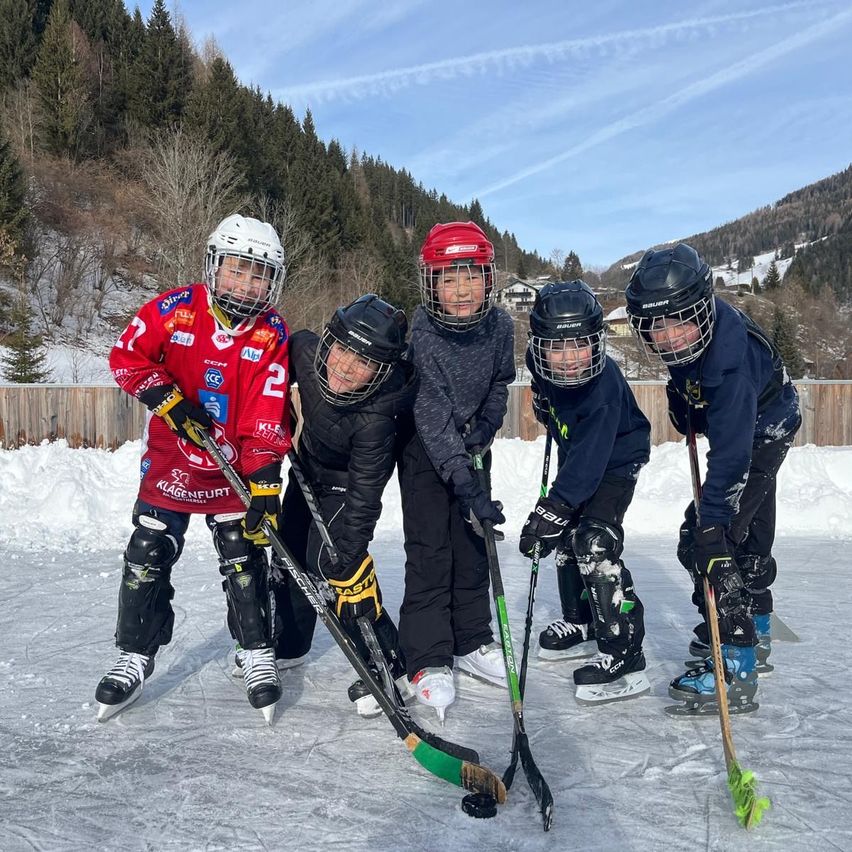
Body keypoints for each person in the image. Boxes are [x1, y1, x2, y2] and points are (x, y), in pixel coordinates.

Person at [96, 214, 291, 724]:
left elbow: (265, 410)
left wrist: (265, 480)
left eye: (259, 275)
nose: (246, 284)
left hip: (231, 465)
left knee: (244, 552)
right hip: (173, 456)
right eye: (236, 270)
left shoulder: (270, 332)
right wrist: (166, 398)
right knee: (149, 546)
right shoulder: (176, 309)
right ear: (214, 266)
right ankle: (134, 651)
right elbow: (127, 356)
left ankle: (255, 650)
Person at [625, 243, 801, 714]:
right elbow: (696, 396)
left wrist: (711, 523)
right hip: (759, 418)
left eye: (678, 321)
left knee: (709, 544)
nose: (668, 337)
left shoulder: (729, 361)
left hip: (761, 431)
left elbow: (731, 456)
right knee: (745, 535)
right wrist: (686, 403)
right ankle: (757, 632)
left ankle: (736, 666)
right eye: (655, 327)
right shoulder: (696, 335)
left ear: (702, 307)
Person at [264, 294, 418, 717]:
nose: (346, 367)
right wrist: (276, 407)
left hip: (347, 488)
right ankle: (292, 642)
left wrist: (348, 553)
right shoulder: (308, 352)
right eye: (343, 350)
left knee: (334, 564)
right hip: (307, 473)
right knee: (289, 555)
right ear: (330, 341)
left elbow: (366, 499)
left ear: (381, 371)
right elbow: (277, 352)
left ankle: (387, 656)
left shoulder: (377, 417)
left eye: (363, 362)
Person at [396, 221, 514, 722]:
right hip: (425, 448)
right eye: (448, 278)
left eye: (469, 276)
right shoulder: (421, 334)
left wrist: (485, 428)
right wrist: (464, 480)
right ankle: (427, 657)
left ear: (487, 279)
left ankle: (472, 638)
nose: (460, 289)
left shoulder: (501, 327)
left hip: (472, 444)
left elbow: (499, 385)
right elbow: (431, 413)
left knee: (472, 545)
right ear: (432, 284)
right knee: (431, 549)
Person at [519, 280, 652, 704]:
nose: (570, 359)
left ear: (596, 342)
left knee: (593, 541)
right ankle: (580, 622)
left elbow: (590, 467)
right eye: (557, 348)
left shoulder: (602, 389)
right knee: (566, 538)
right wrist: (542, 403)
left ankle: (623, 652)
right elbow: (549, 397)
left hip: (615, 459)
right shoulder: (538, 363)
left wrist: (552, 509)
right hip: (577, 450)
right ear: (540, 346)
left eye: (580, 345)